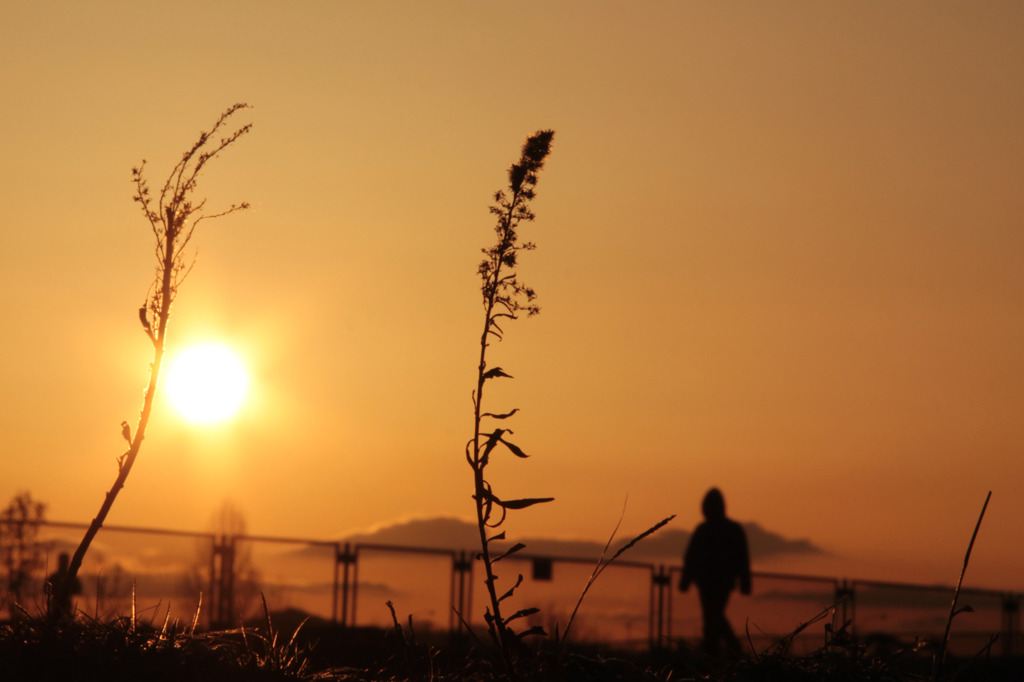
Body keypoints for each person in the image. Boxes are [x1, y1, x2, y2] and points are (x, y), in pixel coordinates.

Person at [680, 487, 751, 656]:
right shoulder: (716, 530)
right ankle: (726, 653)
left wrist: (686, 580)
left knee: (713, 617)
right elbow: (691, 557)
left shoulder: (719, 530)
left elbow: (741, 558)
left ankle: (727, 652)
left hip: (716, 582)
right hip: (711, 582)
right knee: (712, 618)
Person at [46, 552, 81, 619]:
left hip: (66, 606)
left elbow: (78, 589)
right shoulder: (55, 577)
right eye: (63, 561)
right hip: (55, 605)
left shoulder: (70, 576)